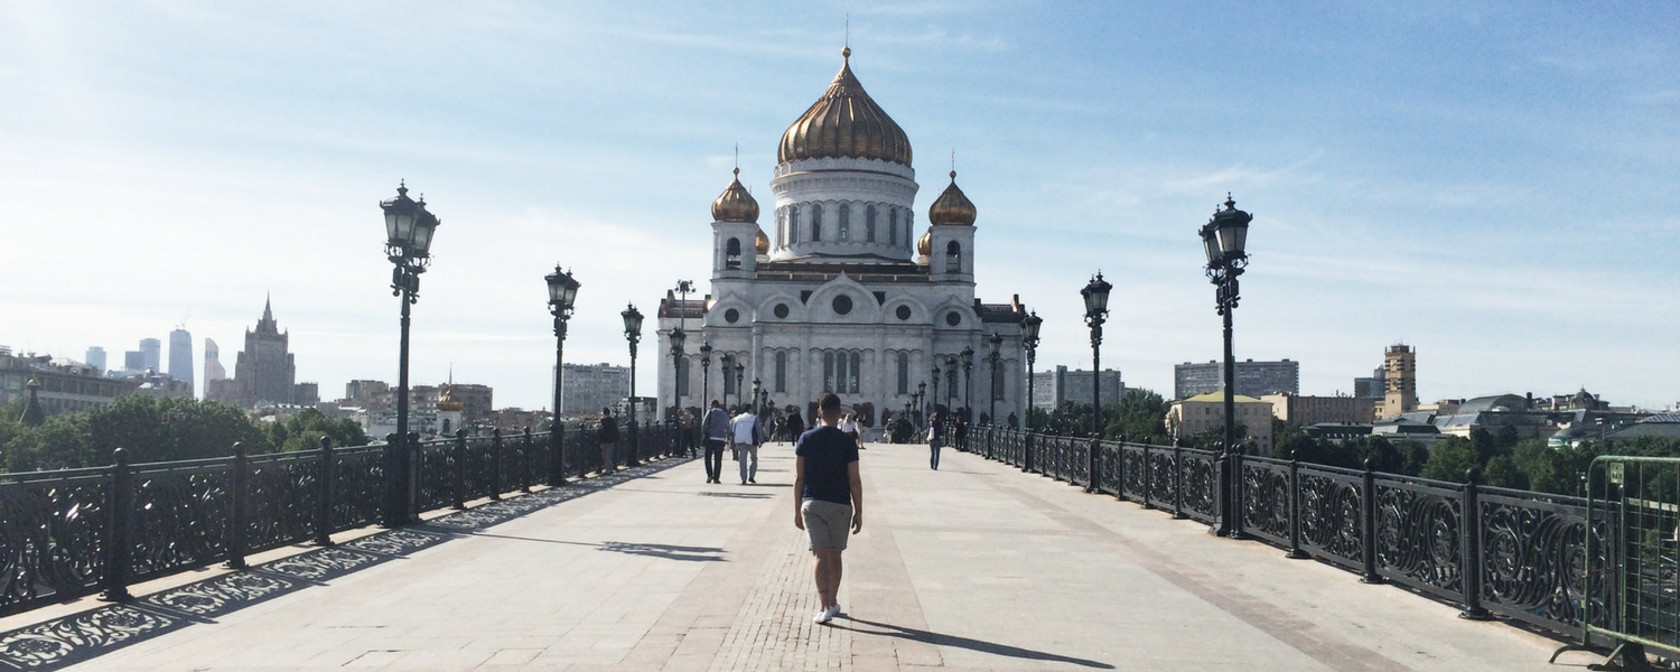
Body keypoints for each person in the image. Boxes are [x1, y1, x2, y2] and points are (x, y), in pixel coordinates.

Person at [794, 393, 862, 624]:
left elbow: (799, 477)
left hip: (812, 503)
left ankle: (823, 607)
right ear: (839, 415)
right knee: (835, 554)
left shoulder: (806, 438)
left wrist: (796, 510)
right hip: (841, 504)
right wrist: (859, 510)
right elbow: (854, 479)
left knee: (819, 555)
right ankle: (832, 602)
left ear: (819, 412)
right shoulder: (847, 441)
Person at [701, 400, 731, 484]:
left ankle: (709, 475)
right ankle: (716, 478)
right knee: (718, 459)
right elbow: (727, 426)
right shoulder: (724, 414)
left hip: (710, 438)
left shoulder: (710, 413)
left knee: (708, 458)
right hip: (720, 439)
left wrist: (703, 434)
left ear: (714, 405)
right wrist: (728, 437)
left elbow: (704, 425)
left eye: (710, 405)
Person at [732, 405, 763, 484]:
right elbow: (758, 429)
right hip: (751, 441)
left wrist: (732, 441)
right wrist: (761, 441)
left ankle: (743, 478)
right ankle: (751, 476)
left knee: (742, 461)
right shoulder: (754, 418)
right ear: (750, 409)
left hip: (740, 441)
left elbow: (733, 430)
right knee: (754, 459)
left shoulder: (737, 418)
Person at [597, 408, 619, 474]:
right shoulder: (612, 420)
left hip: (605, 440)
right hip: (612, 440)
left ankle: (608, 470)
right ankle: (610, 468)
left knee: (606, 455)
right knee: (609, 454)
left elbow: (601, 429)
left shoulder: (604, 421)